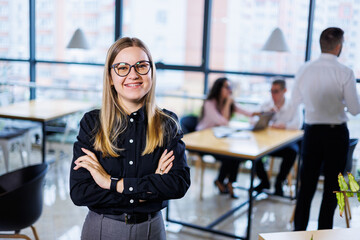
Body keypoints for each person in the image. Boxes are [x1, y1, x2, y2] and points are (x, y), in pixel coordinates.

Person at [69, 37, 191, 240]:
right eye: (122, 68)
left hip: (153, 230)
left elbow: (178, 184)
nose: (133, 75)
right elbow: (80, 192)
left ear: (151, 72)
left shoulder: (167, 123)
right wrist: (150, 188)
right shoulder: (92, 124)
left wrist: (112, 183)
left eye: (141, 66)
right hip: (103, 229)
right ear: (110, 77)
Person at [291, 27, 360, 230]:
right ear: (338, 47)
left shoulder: (304, 69)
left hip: (311, 133)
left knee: (306, 189)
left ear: (321, 44)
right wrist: (341, 102)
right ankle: (323, 235)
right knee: (331, 191)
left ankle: (298, 234)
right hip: (336, 134)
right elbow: (355, 109)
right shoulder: (345, 72)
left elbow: (295, 100)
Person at [196, 77, 254, 198]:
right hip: (204, 140)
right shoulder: (210, 103)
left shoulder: (227, 101)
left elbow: (247, 112)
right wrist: (228, 103)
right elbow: (223, 121)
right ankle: (221, 181)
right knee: (229, 156)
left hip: (219, 139)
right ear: (219, 88)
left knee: (236, 155)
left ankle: (229, 183)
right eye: (227, 87)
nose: (229, 90)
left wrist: (261, 112)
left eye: (230, 87)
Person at [253, 78, 302, 196]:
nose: (273, 95)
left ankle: (279, 182)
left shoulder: (293, 105)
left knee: (292, 152)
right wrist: (267, 117)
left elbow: (297, 124)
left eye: (276, 91)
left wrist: (283, 126)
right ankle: (264, 181)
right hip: (267, 142)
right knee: (254, 152)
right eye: (271, 91)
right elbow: (253, 119)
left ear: (284, 90)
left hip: (284, 144)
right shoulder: (266, 104)